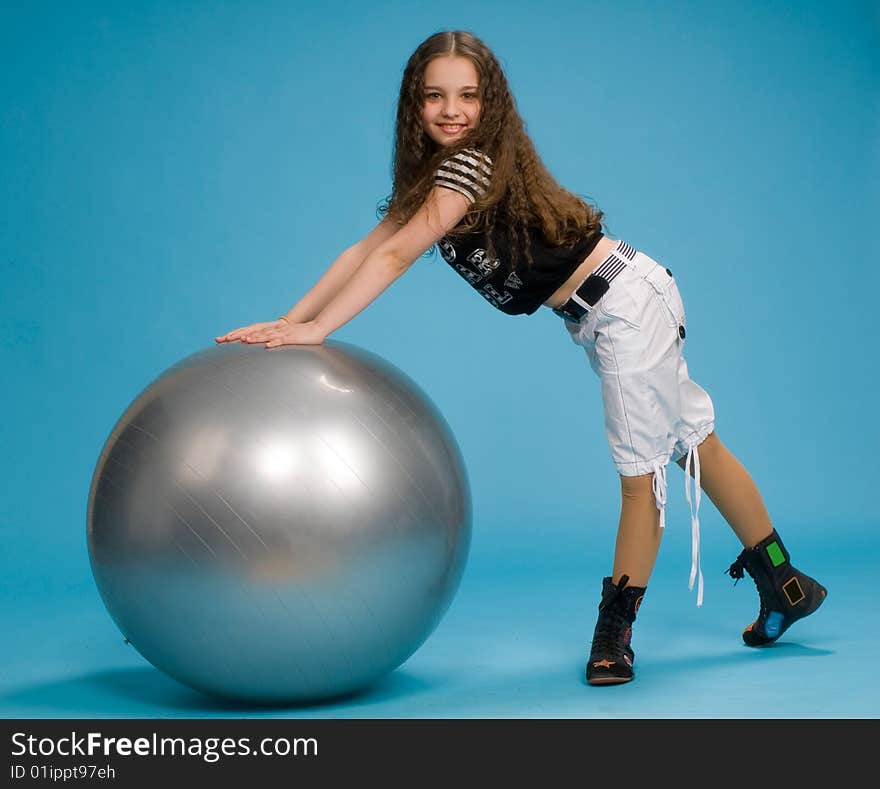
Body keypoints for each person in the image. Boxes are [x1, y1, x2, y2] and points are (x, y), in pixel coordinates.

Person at [215, 30, 827, 686]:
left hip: (624, 304)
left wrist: (317, 330)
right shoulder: (437, 174)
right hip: (616, 303)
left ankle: (614, 638)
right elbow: (364, 250)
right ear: (413, 106)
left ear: (491, 103)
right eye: (434, 96)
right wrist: (296, 320)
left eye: (468, 96)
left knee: (640, 475)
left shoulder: (470, 166)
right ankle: (785, 582)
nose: (452, 110)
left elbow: (392, 258)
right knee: (694, 445)